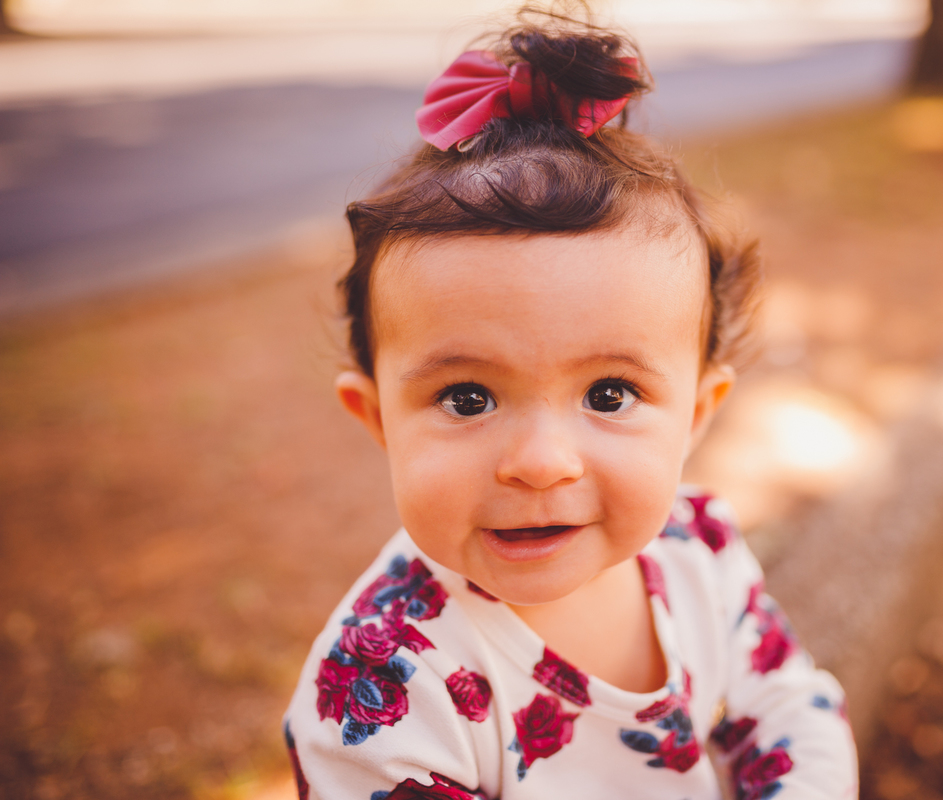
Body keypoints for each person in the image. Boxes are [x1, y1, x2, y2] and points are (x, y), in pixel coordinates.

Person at [283, 9, 857, 799]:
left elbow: (788, 707)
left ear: (696, 413)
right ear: (377, 417)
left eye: (610, 393)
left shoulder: (701, 549)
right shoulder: (382, 684)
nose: (541, 462)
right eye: (468, 397)